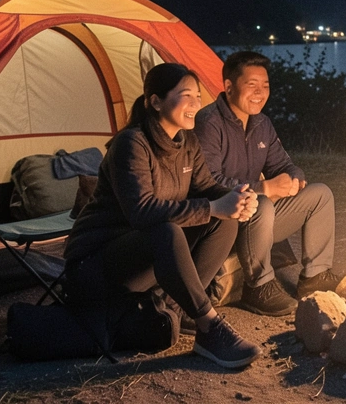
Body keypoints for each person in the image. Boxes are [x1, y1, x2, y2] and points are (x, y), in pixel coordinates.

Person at [63, 63, 262, 369]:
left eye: (198, 95)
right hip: (96, 265)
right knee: (165, 230)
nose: (196, 103)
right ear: (155, 102)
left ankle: (178, 309)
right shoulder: (131, 144)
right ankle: (209, 325)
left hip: (143, 260)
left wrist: (234, 199)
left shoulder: (187, 142)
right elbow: (142, 212)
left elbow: (206, 187)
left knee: (223, 221)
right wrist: (213, 207)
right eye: (186, 95)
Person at [195, 50, 340, 316]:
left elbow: (283, 164)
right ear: (228, 87)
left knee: (321, 195)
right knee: (260, 203)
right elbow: (209, 181)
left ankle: (314, 277)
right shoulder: (209, 123)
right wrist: (265, 188)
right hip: (221, 222)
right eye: (252, 85)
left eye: (265, 85)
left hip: (257, 221)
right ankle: (258, 287)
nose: (260, 92)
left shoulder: (262, 124)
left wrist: (295, 178)